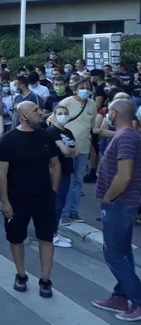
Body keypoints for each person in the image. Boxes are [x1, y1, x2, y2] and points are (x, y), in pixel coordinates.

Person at [0, 101, 61, 299]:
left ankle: (45, 279)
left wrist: (54, 191)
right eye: (36, 111)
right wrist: (5, 201)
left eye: (39, 109)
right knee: (16, 238)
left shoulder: (45, 136)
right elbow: (1, 173)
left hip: (43, 198)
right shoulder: (9, 140)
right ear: (24, 117)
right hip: (17, 199)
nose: (41, 112)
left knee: (46, 237)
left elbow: (55, 164)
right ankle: (21, 274)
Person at [89, 98, 141, 321]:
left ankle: (138, 300)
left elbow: (124, 175)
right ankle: (120, 296)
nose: (107, 114)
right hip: (122, 203)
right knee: (122, 252)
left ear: (115, 113)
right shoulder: (126, 136)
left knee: (114, 253)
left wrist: (108, 198)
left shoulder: (127, 137)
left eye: (109, 110)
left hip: (120, 203)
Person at [59, 78, 97, 225]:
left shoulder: (92, 104)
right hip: (67, 148)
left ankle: (73, 210)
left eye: (88, 87)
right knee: (66, 180)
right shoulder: (67, 102)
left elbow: (92, 125)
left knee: (77, 181)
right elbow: (54, 120)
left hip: (84, 147)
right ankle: (63, 212)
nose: (85, 90)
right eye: (82, 87)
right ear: (75, 88)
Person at [46, 104, 79, 248]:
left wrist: (70, 151)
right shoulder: (52, 131)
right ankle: (51, 234)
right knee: (56, 204)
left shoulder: (68, 132)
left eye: (65, 113)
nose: (63, 116)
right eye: (60, 113)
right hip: (55, 172)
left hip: (67, 171)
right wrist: (70, 151)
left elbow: (77, 151)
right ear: (54, 115)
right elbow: (66, 150)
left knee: (60, 203)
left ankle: (54, 231)